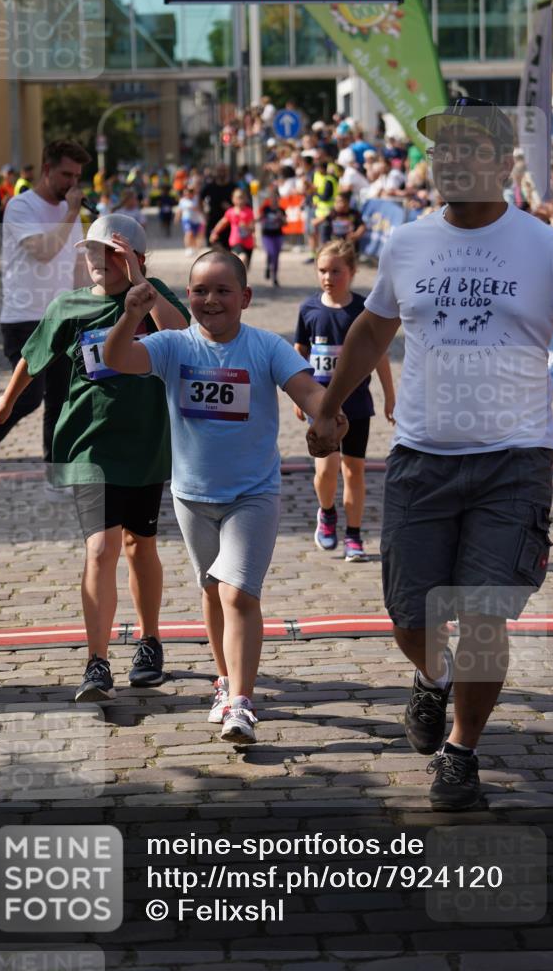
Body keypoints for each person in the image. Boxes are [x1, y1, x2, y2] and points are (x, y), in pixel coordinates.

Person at [307, 97, 553, 811]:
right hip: (420, 457)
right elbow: (369, 331)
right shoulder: (409, 243)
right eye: (440, 150)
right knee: (408, 615)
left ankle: (460, 751)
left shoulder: (546, 247)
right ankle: (431, 678)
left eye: (468, 149)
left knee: (482, 615)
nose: (450, 161)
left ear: (502, 162)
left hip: (512, 462)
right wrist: (328, 407)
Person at [104, 248, 345, 744]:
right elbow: (115, 358)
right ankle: (224, 681)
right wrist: (131, 313)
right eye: (199, 290)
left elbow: (308, 391)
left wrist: (328, 413)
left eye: (222, 290)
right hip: (191, 495)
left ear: (245, 297)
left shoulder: (265, 347)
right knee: (213, 590)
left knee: (237, 592)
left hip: (253, 494)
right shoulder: (173, 345)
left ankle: (241, 701)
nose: (210, 299)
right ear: (187, 296)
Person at [0, 213, 190, 702]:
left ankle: (149, 641)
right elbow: (32, 357)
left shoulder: (153, 294)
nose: (100, 261)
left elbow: (182, 335)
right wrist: (8, 401)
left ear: (138, 259)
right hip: (87, 446)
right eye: (93, 252)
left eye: (113, 253)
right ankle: (97, 662)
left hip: (144, 444)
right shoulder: (69, 305)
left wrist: (143, 290)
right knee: (101, 549)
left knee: (141, 544)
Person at [0, 139, 91, 501]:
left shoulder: (71, 212)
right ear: (47, 169)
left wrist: (89, 309)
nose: (72, 182)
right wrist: (70, 213)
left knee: (61, 399)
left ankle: (55, 478)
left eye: (77, 176)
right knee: (29, 395)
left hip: (63, 317)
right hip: (24, 317)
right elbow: (44, 252)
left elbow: (77, 265)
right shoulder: (22, 206)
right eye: (66, 173)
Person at [294, 239, 395, 562]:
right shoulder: (309, 309)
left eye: (336, 271)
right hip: (320, 407)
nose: (328, 277)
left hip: (357, 405)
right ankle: (327, 513)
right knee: (326, 470)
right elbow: (300, 352)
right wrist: (299, 392)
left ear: (351, 272)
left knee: (354, 471)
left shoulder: (363, 311)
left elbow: (379, 356)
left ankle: (354, 535)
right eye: (322, 270)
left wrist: (390, 397)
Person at [210, 187, 255, 271]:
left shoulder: (249, 212)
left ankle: (241, 280)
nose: (240, 200)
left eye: (242, 197)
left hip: (248, 243)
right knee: (241, 258)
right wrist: (214, 233)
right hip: (236, 241)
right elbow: (222, 223)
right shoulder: (231, 212)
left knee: (245, 267)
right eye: (238, 198)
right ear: (233, 199)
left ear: (246, 199)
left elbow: (253, 228)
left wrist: (246, 226)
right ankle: (237, 281)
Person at [201, 164, 237, 248]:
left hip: (229, 225)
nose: (221, 173)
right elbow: (200, 198)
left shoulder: (233, 187)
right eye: (219, 171)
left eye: (224, 171)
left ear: (227, 172)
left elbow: (242, 202)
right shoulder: (210, 187)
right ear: (215, 172)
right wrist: (203, 213)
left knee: (228, 252)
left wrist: (231, 208)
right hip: (213, 222)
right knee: (216, 250)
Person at [259, 186, 287, 286]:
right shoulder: (266, 209)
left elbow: (285, 223)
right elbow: (259, 219)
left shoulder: (281, 210)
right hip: (267, 235)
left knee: (276, 255)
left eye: (276, 198)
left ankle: (274, 276)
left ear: (279, 199)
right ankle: (268, 266)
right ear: (269, 199)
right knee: (271, 252)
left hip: (278, 235)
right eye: (272, 198)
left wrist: (281, 218)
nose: (274, 200)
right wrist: (263, 219)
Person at [175, 185, 204, 257]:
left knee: (195, 236)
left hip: (196, 220)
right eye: (186, 192)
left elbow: (201, 208)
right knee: (189, 233)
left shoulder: (197, 199)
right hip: (186, 219)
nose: (188, 194)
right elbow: (179, 210)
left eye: (190, 192)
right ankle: (188, 248)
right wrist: (177, 218)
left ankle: (193, 248)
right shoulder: (183, 200)